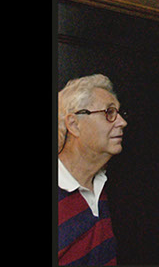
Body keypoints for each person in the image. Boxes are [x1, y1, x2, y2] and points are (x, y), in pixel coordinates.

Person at [58, 74, 128, 265]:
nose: (122, 122)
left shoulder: (100, 184)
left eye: (119, 113)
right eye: (109, 112)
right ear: (74, 124)